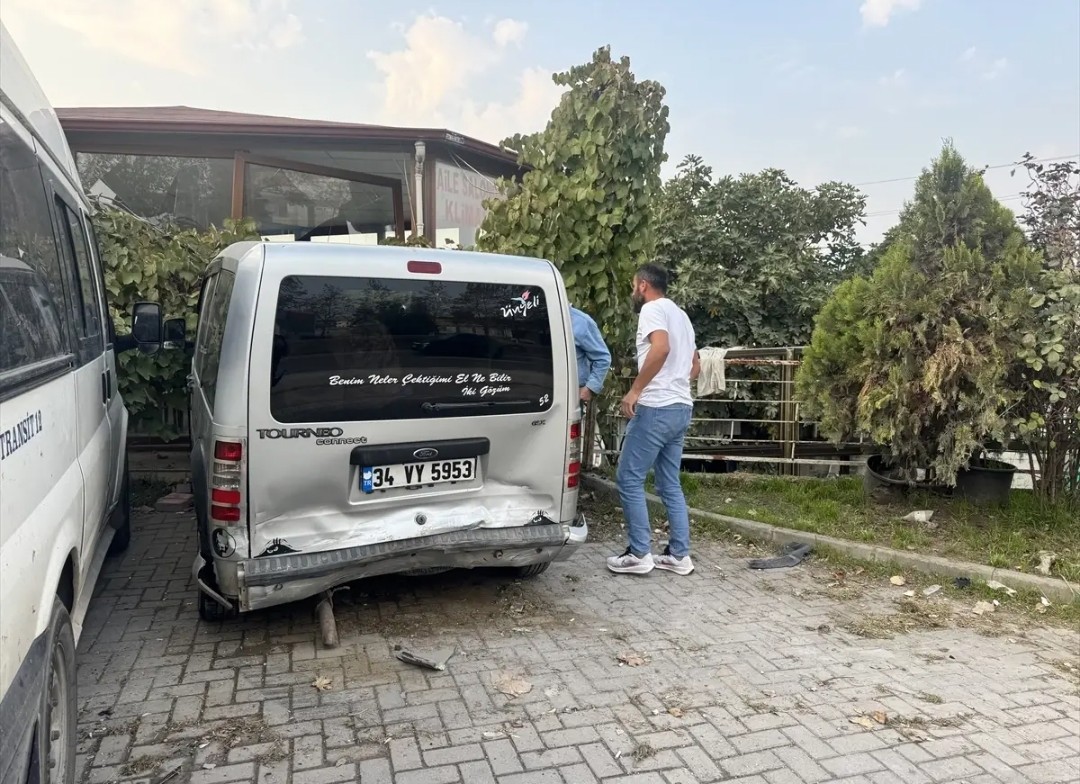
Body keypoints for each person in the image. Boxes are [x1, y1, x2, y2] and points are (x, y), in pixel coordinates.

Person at [609, 263, 700, 576]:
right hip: (681, 407)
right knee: (669, 482)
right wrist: (674, 383)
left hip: (657, 408)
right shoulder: (681, 316)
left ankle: (639, 554)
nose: (633, 291)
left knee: (628, 478)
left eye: (634, 285)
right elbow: (695, 366)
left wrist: (635, 391)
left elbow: (660, 348)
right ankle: (679, 555)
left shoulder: (652, 309)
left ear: (644, 285)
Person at [570, 306, 611, 402]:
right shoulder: (538, 318)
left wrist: (590, 388)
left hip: (570, 396)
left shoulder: (581, 322)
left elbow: (602, 358)